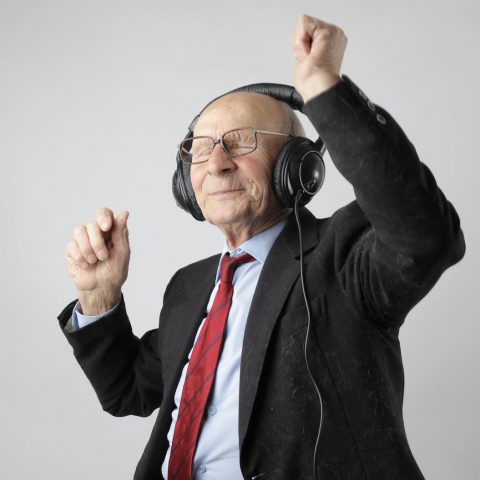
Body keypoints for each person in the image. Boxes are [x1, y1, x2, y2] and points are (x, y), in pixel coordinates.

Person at [58, 14, 465, 480]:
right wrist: (99, 297)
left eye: (241, 141)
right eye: (202, 147)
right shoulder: (189, 286)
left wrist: (324, 89)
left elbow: (426, 238)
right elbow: (127, 392)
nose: (216, 162)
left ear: (298, 168)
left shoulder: (343, 254)